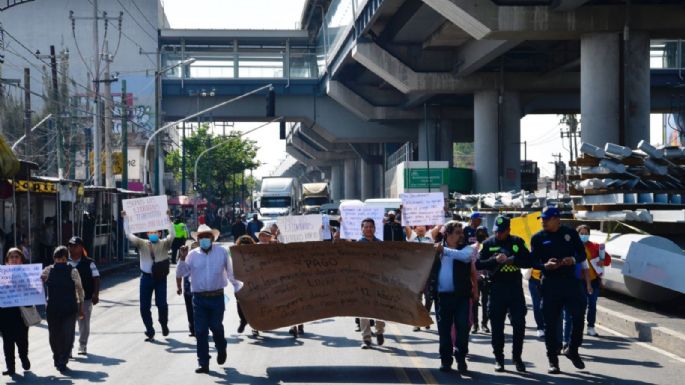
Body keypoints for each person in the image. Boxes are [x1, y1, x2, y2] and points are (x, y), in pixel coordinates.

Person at [176, 224, 243, 374]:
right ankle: (203, 363)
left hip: (217, 297)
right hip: (199, 299)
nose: (204, 239)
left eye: (207, 236)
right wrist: (181, 258)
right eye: (201, 237)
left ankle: (221, 346)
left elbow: (231, 273)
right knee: (200, 331)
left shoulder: (222, 252)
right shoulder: (192, 255)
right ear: (198, 239)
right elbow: (181, 272)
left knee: (216, 326)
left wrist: (238, 288)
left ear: (212, 238)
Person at [529, 206, 587, 374]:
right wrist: (545, 266)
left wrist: (572, 259)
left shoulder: (570, 234)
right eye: (542, 219)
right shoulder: (538, 238)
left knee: (578, 315)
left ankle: (573, 349)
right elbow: (532, 262)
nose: (544, 222)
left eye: (547, 219)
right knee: (550, 324)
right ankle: (553, 361)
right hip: (550, 284)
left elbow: (582, 255)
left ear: (557, 219)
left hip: (570, 282)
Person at [476, 216, 530, 372]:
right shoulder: (488, 244)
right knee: (497, 327)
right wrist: (494, 260)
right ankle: (499, 359)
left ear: (508, 230)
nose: (498, 234)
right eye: (496, 231)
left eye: (502, 231)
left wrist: (512, 260)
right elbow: (478, 263)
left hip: (514, 290)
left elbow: (528, 260)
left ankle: (517, 357)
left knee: (519, 325)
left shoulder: (517, 242)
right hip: (496, 290)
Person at [430, 221, 478, 374]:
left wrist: (443, 249)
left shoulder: (465, 249)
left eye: (461, 232)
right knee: (444, 331)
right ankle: (446, 360)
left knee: (462, 329)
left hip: (462, 298)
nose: (461, 235)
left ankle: (461, 357)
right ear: (447, 235)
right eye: (457, 233)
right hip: (442, 298)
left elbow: (465, 257)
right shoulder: (435, 249)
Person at [122, 209, 176, 341]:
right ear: (147, 233)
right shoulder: (142, 243)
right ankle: (149, 330)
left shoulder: (164, 243)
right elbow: (128, 234)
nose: (153, 234)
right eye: (151, 232)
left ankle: (163, 324)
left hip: (160, 279)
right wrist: (125, 218)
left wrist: (169, 219)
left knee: (162, 304)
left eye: (156, 232)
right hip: (145, 278)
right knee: (144, 307)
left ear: (159, 233)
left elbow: (173, 234)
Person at [41, 246, 85, 373]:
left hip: (69, 309)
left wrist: (81, 308)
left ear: (67, 258)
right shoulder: (48, 271)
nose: (60, 261)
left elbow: (80, 290)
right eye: (58, 258)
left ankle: (63, 360)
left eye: (63, 258)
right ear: (54, 259)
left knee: (68, 335)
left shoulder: (73, 271)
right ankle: (57, 356)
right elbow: (37, 282)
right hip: (53, 309)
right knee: (54, 336)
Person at [354, 218, 386, 349]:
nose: (368, 229)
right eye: (366, 227)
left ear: (374, 228)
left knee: (380, 310)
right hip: (362, 281)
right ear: (362, 229)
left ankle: (379, 331)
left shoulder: (380, 244)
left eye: (370, 227)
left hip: (378, 281)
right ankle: (366, 338)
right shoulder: (357, 245)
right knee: (364, 311)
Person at [66, 237, 100, 356]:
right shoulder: (65, 262)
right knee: (68, 324)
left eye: (74, 246)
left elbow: (96, 278)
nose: (71, 248)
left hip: (85, 299)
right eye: (70, 245)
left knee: (84, 323)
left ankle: (82, 345)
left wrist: (96, 294)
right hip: (68, 299)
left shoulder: (89, 262)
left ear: (81, 248)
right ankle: (68, 348)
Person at [1, 248, 31, 376]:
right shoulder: (2, 274)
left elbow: (30, 290)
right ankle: (11, 368)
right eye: (11, 257)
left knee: (22, 340)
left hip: (20, 314)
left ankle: (24, 358)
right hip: (4, 314)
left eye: (16, 257)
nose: (14, 259)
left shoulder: (27, 273)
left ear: (21, 260)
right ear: (7, 261)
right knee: (7, 342)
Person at [577, 225, 611, 337]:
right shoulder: (573, 247)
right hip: (579, 281)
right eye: (581, 233)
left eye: (586, 233)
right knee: (580, 305)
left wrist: (602, 260)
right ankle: (578, 327)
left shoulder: (595, 246)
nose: (584, 235)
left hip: (593, 280)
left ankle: (591, 327)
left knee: (592, 304)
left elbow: (607, 259)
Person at [410, 226, 433, 332]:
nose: (420, 231)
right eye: (418, 230)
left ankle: (425, 317)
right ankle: (417, 322)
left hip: (428, 275)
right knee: (417, 299)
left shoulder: (429, 241)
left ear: (425, 231)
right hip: (416, 275)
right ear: (415, 231)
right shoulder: (412, 242)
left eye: (422, 230)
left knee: (429, 298)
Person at [232, 235, 256, 335]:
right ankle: (243, 320)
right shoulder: (235, 255)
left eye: (246, 245)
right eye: (242, 245)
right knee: (240, 304)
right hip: (240, 284)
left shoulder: (255, 254)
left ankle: (255, 326)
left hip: (254, 284)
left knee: (255, 305)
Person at [176, 241, 199, 337]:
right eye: (193, 248)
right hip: (188, 288)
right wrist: (179, 287)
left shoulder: (204, 259)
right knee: (190, 309)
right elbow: (178, 274)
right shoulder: (184, 260)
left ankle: (201, 328)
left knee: (200, 310)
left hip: (200, 289)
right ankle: (193, 329)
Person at [471, 225, 491, 334]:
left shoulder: (489, 247)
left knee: (486, 302)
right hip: (475, 279)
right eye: (479, 233)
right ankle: (475, 324)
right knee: (475, 301)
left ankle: (484, 324)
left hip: (487, 279)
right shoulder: (472, 248)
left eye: (483, 233)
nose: (481, 235)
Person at [528, 267, 545, 338]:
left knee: (549, 305)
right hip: (534, 280)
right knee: (537, 305)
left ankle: (548, 326)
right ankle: (540, 327)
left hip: (549, 278)